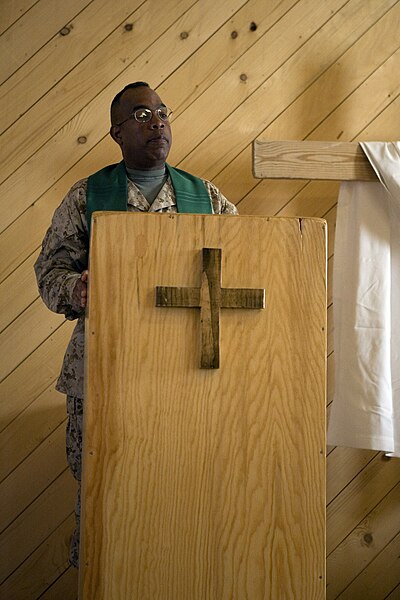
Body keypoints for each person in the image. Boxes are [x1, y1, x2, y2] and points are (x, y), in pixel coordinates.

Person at [34, 81, 238, 568]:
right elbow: (50, 271)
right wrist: (75, 290)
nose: (158, 122)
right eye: (142, 114)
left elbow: (248, 259)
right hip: (106, 375)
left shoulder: (206, 197)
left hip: (186, 374)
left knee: (183, 494)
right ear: (116, 132)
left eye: (163, 112)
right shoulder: (87, 195)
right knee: (105, 495)